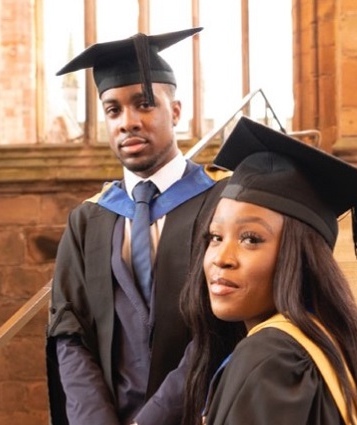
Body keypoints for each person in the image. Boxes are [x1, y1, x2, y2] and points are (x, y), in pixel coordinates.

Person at [45, 27, 228, 425]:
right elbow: (68, 330)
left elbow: (221, 325)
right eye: (113, 110)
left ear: (175, 111)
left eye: (144, 104)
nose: (128, 122)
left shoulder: (221, 203)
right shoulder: (88, 220)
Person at [181, 117, 357, 424]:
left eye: (251, 239)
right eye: (215, 237)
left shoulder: (272, 360)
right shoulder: (322, 343)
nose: (222, 257)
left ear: (298, 256)